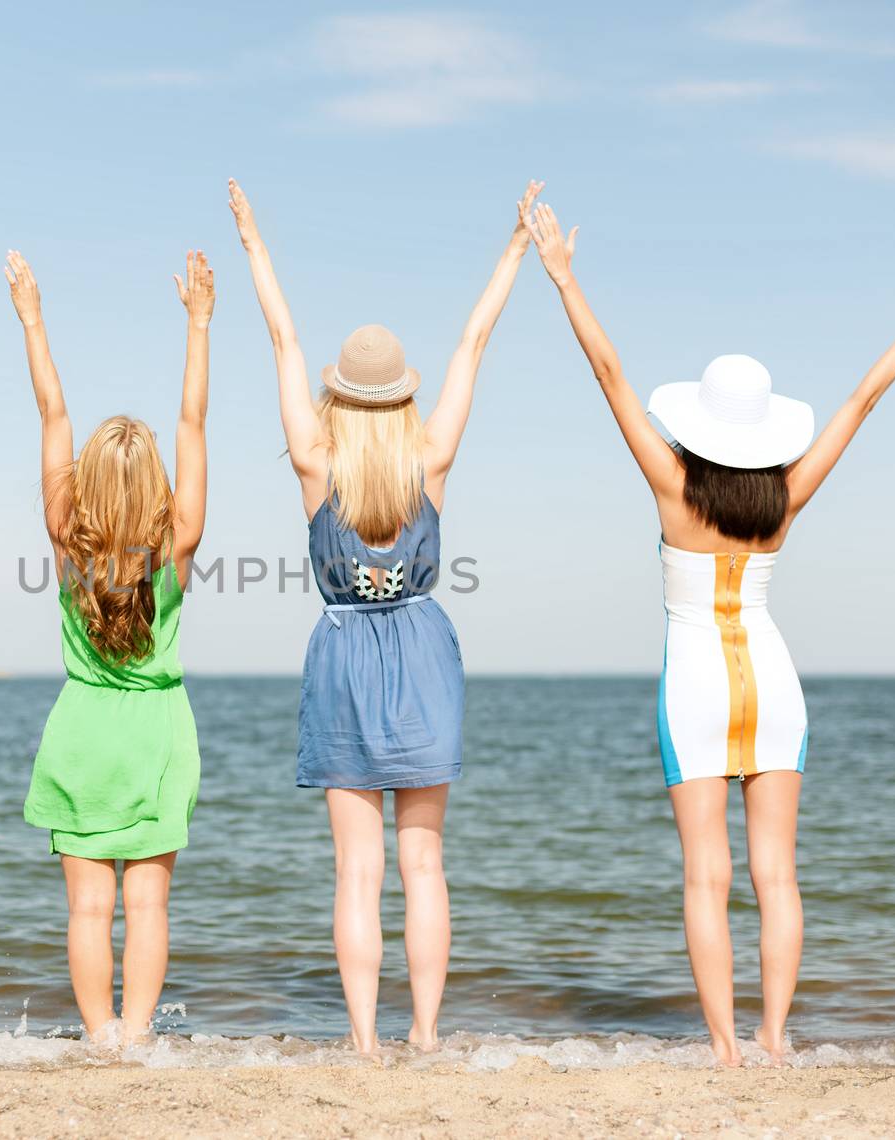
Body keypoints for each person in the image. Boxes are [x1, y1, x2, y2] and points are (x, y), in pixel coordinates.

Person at [522, 197, 895, 1065]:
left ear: (695, 426)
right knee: (777, 874)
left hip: (695, 682)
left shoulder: (670, 486)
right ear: (766, 432)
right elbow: (862, 400)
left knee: (707, 875)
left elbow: (609, 374)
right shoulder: (788, 495)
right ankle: (773, 1039)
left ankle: (724, 1047)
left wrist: (565, 277)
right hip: (772, 677)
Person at [228, 177, 543, 1053]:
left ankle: (364, 1041)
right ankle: (428, 1035)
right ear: (402, 396)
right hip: (424, 652)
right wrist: (515, 248)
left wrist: (255, 240)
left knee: (356, 871)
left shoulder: (313, 463)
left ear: (342, 396)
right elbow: (475, 341)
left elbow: (282, 337)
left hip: (342, 658)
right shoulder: (431, 456)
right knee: (425, 865)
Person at [9, 247, 212, 1046]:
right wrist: (199, 323)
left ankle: (98, 1037)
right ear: (156, 487)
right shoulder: (178, 543)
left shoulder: (67, 538)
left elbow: (51, 415)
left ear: (86, 485)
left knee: (89, 908)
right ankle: (137, 1034)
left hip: (84, 733)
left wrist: (32, 317)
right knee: (149, 907)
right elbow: (194, 421)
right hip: (156, 733)